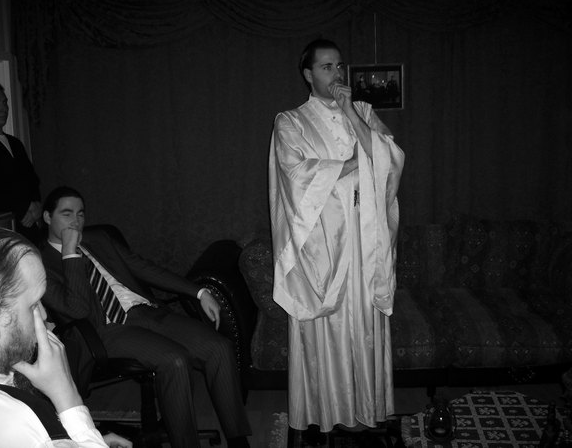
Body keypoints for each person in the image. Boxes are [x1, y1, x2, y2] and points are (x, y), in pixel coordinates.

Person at [39, 186, 251, 448]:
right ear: (47, 217)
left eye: (80, 214)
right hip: (104, 329)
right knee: (175, 361)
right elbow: (77, 310)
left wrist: (198, 292)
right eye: (66, 214)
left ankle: (238, 440)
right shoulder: (40, 261)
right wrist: (70, 253)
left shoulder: (99, 239)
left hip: (147, 312)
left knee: (219, 347)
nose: (76, 221)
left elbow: (143, 268)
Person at [268, 39, 405, 435]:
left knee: (365, 323)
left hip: (367, 237)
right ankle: (327, 411)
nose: (337, 74)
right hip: (324, 240)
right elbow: (296, 177)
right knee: (328, 328)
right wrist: (353, 163)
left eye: (340, 66)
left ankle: (367, 409)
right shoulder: (290, 122)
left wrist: (350, 112)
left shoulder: (363, 111)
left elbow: (391, 159)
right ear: (308, 74)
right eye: (327, 67)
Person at [0, 227, 132, 447]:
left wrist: (76, 440)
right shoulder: (21, 424)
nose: (44, 315)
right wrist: (67, 395)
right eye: (33, 305)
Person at [0, 82, 42, 244]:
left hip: (28, 222)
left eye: (5, 103)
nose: (3, 108)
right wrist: (24, 207)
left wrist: (37, 205)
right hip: (1, 228)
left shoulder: (15, 143)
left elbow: (32, 179)